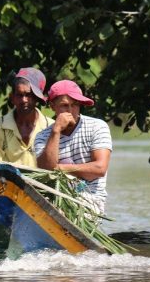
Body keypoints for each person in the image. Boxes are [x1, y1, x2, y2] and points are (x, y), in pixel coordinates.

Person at [34, 80, 112, 214]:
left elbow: (100, 168)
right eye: (64, 105)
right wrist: (56, 130)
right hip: (54, 199)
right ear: (52, 106)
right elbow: (46, 170)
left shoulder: (97, 127)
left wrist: (60, 168)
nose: (70, 111)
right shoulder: (42, 137)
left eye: (75, 105)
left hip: (90, 202)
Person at [0, 67, 54, 167]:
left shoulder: (51, 127)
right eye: (19, 95)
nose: (24, 100)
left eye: (28, 95)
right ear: (12, 98)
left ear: (37, 98)